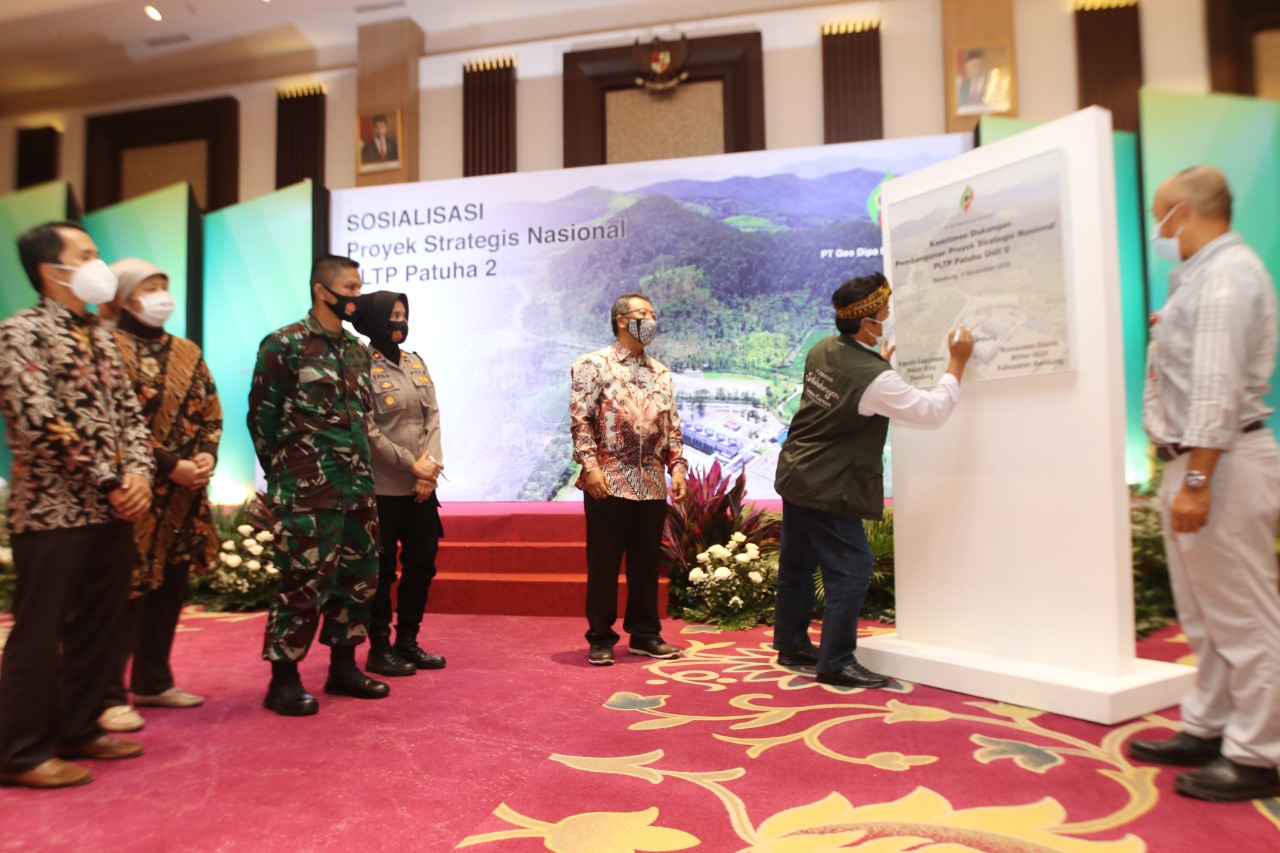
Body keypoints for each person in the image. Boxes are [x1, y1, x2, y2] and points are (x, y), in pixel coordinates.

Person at [1126, 166, 1280, 802]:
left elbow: (1215, 392)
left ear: (1182, 212)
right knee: (1204, 615)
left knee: (1243, 614)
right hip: (1191, 461)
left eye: (1161, 213)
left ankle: (1261, 752)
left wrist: (1196, 480)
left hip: (1218, 464)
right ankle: (1211, 725)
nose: (1158, 227)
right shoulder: (1200, 275)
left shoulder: (1224, 279)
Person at [0, 222, 154, 789]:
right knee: (40, 632)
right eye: (86, 255)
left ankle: (79, 727)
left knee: (101, 624)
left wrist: (138, 473)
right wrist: (111, 478)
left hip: (110, 511)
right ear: (51, 270)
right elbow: (38, 420)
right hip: (51, 513)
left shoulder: (100, 334)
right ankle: (20, 752)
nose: (100, 264)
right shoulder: (19, 333)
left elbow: (131, 418)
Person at [772, 272, 972, 689]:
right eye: (884, 314)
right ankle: (837, 661)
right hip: (830, 484)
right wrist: (957, 362)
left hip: (797, 472)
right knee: (851, 567)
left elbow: (851, 387)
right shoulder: (875, 377)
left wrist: (879, 362)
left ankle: (791, 643)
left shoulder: (823, 348)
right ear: (867, 325)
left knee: (798, 564)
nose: (888, 319)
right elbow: (931, 411)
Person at [248, 254, 388, 716]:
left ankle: (343, 667)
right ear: (322, 291)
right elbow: (262, 419)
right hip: (307, 491)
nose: (357, 295)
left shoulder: (356, 350)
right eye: (350, 286)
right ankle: (283, 680)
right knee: (302, 583)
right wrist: (287, 474)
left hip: (357, 489)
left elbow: (363, 419)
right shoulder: (283, 345)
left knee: (358, 579)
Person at [98, 258, 221, 735]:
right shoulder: (107, 347)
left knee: (170, 585)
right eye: (149, 287)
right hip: (133, 492)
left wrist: (207, 457)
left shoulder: (187, 351)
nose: (160, 296)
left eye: (163, 286)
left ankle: (154, 680)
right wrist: (173, 466)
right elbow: (112, 424)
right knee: (126, 591)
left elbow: (210, 410)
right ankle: (109, 692)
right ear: (126, 297)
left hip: (183, 498)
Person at [570, 293, 688, 666]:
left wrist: (678, 467)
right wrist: (590, 466)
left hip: (651, 481)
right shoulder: (593, 365)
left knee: (645, 565)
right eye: (642, 314)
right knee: (604, 564)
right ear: (622, 320)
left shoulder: (661, 372)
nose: (650, 320)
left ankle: (645, 634)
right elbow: (581, 420)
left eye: (652, 314)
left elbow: (672, 425)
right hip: (609, 479)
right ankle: (601, 637)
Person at [353, 292, 448, 677]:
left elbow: (433, 416)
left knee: (421, 566)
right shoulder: (360, 364)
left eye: (403, 315)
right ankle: (379, 648)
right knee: (382, 570)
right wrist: (413, 467)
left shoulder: (415, 362)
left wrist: (429, 468)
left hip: (422, 486)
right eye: (392, 315)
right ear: (375, 320)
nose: (399, 322)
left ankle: (407, 642)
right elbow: (368, 430)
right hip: (383, 487)